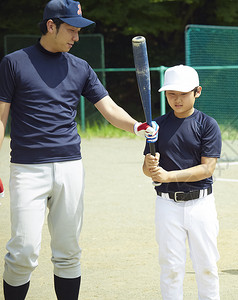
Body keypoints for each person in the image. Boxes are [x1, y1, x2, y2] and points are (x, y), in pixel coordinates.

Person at [0, 0, 156, 298]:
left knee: (68, 251)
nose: (76, 37)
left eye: (78, 31)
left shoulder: (80, 67)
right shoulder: (14, 62)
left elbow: (109, 108)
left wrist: (136, 126)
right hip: (27, 168)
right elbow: (1, 117)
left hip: (70, 166)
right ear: (50, 26)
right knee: (23, 251)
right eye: (71, 30)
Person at [143, 65, 222, 299]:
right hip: (167, 205)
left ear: (197, 92)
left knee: (207, 267)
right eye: (171, 94)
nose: (176, 99)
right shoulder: (156, 126)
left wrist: (168, 176)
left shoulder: (207, 124)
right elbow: (147, 170)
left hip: (200, 204)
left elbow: (207, 168)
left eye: (183, 94)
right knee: (171, 269)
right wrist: (150, 166)